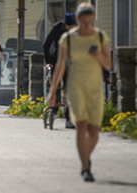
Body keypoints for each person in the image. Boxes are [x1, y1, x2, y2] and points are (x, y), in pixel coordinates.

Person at [47, 2, 111, 182]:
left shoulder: (100, 37)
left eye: (91, 22)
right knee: (81, 126)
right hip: (75, 85)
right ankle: (85, 167)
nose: (87, 26)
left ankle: (86, 155)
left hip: (94, 86)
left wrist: (98, 55)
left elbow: (108, 64)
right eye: (84, 22)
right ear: (77, 20)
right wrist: (52, 91)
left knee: (94, 131)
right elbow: (60, 65)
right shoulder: (67, 38)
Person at [44, 13, 77, 128]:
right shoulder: (57, 27)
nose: (70, 28)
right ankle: (54, 110)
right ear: (64, 23)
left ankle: (69, 119)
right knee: (55, 86)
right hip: (56, 60)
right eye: (68, 26)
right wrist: (48, 61)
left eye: (72, 26)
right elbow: (46, 43)